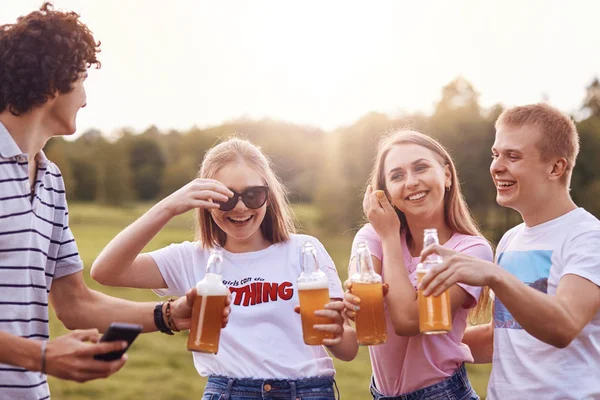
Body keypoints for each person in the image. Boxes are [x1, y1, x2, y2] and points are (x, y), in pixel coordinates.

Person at [0, 4, 212, 399]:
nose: (84, 97)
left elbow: (74, 302)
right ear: (52, 84)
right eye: (80, 79)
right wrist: (41, 355)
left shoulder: (50, 181)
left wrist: (168, 314)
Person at [91, 137, 358, 399]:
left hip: (306, 392)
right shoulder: (192, 258)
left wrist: (334, 334)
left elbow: (348, 350)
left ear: (269, 195)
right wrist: (170, 206)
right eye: (225, 198)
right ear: (204, 200)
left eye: (254, 195)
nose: (240, 207)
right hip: (229, 392)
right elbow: (105, 271)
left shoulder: (304, 250)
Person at [419, 103, 600, 399]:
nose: (497, 167)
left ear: (556, 167)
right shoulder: (511, 239)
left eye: (513, 156)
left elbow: (563, 326)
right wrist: (408, 339)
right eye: (496, 154)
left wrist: (495, 276)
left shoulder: (588, 237)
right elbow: (500, 337)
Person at [343, 130, 493, 399]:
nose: (411, 182)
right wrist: (352, 302)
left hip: (444, 392)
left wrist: (389, 236)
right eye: (397, 176)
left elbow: (409, 320)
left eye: (421, 168)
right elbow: (365, 308)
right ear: (385, 191)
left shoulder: (471, 250)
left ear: (447, 175)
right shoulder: (370, 237)